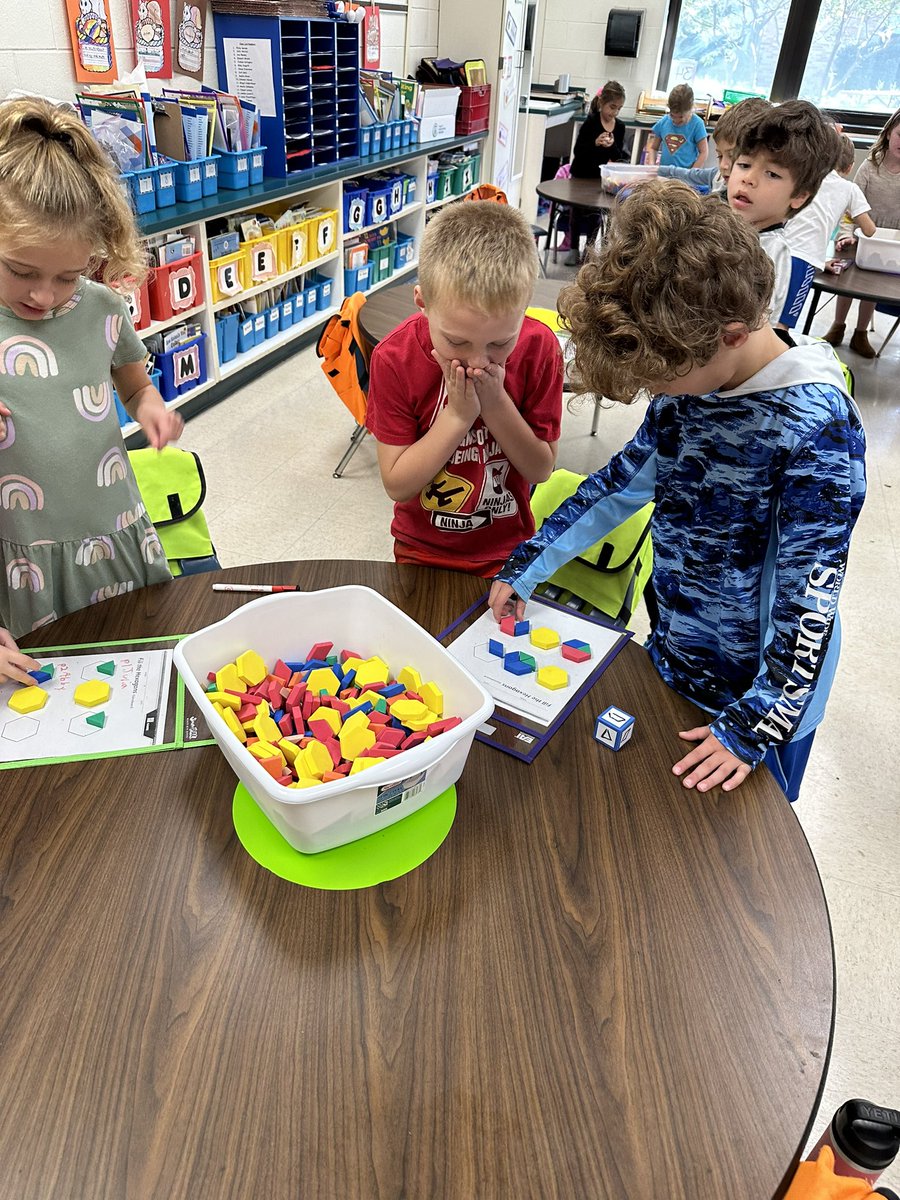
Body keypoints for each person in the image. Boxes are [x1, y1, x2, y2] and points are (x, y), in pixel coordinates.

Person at [489, 181, 866, 801]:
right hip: (677, 658)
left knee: (748, 854)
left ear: (734, 334)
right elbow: (616, 488)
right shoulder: (691, 391)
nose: (659, 392)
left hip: (766, 705)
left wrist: (753, 726)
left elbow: (809, 604)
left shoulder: (816, 431)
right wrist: (528, 565)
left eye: (667, 378)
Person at [0, 97, 182, 638]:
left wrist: (150, 408)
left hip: (113, 530)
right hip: (25, 555)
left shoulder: (101, 307)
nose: (44, 294)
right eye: (20, 269)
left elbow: (134, 385)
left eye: (67, 276)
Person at [366, 200, 563, 578]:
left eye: (500, 344)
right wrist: (457, 416)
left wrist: (495, 403)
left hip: (508, 552)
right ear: (422, 302)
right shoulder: (394, 358)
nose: (478, 363)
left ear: (525, 309)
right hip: (420, 552)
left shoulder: (540, 349)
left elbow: (540, 469)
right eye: (457, 342)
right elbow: (397, 484)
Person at [727, 99, 834, 328]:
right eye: (744, 165)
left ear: (799, 197)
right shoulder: (719, 226)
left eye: (772, 174)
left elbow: (758, 328)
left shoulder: (772, 253)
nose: (748, 179)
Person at [781, 129, 876, 331]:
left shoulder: (808, 178)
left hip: (777, 249)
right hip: (803, 261)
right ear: (850, 167)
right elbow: (869, 230)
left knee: (762, 313)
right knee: (783, 324)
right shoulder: (849, 189)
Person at [823, 107, 900, 357]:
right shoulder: (869, 167)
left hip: (888, 242)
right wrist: (847, 233)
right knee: (848, 283)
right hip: (858, 235)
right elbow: (850, 205)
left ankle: (860, 333)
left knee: (871, 289)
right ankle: (838, 326)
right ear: (889, 133)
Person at [565, 80, 627, 266]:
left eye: (618, 109)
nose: (614, 112)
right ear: (601, 103)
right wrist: (595, 143)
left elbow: (619, 156)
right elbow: (578, 151)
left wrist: (611, 145)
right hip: (581, 174)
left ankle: (589, 249)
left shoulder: (620, 127)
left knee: (595, 214)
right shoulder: (591, 122)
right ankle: (573, 248)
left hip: (598, 178)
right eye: (612, 107)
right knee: (577, 212)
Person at [659, 95, 772, 195]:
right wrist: (653, 170)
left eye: (732, 156)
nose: (723, 165)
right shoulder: (717, 176)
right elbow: (688, 175)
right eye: (720, 156)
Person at [645, 84, 708, 169]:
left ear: (691, 109)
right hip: (665, 174)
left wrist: (692, 174)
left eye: (681, 117)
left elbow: (704, 152)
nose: (676, 121)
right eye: (672, 116)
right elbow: (653, 148)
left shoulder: (697, 124)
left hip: (685, 176)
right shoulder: (664, 122)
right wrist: (652, 167)